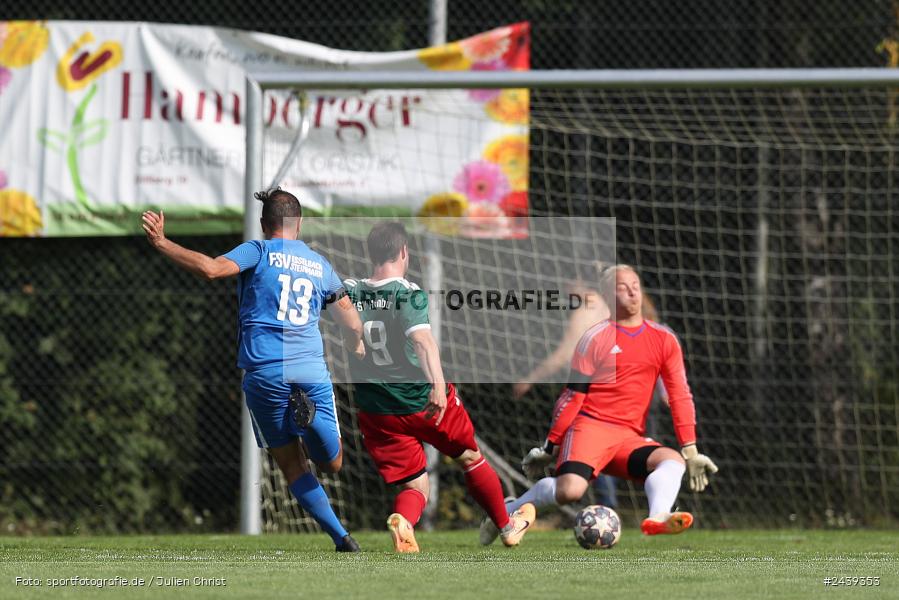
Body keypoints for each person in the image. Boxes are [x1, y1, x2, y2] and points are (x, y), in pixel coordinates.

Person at [141, 188, 364, 552]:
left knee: (294, 468)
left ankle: (342, 538)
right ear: (299, 223)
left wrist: (163, 243)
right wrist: (356, 341)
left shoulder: (257, 251)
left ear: (264, 225)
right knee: (334, 463)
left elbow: (211, 270)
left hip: (264, 374)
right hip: (308, 369)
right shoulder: (319, 263)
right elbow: (351, 320)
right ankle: (309, 425)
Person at [482, 264, 718, 544]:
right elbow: (572, 397)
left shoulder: (664, 339)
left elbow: (680, 394)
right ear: (607, 296)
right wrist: (550, 446)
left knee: (673, 461)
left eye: (635, 285)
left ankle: (658, 517)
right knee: (570, 491)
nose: (632, 291)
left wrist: (690, 449)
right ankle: (507, 510)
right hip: (588, 429)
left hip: (628, 438)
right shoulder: (595, 337)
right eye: (622, 287)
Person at [345, 221, 535, 552]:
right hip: (421, 400)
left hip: (377, 409)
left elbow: (347, 329)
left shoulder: (350, 291)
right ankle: (507, 527)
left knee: (416, 482)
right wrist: (437, 385)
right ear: (404, 251)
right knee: (471, 457)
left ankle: (404, 520)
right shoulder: (407, 294)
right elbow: (422, 341)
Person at [511, 270, 619, 507]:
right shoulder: (609, 307)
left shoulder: (586, 310)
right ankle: (603, 508)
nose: (566, 289)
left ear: (578, 281)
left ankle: (599, 506)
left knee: (579, 446)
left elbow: (565, 353)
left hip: (590, 389)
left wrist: (531, 378)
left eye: (567, 282)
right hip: (615, 388)